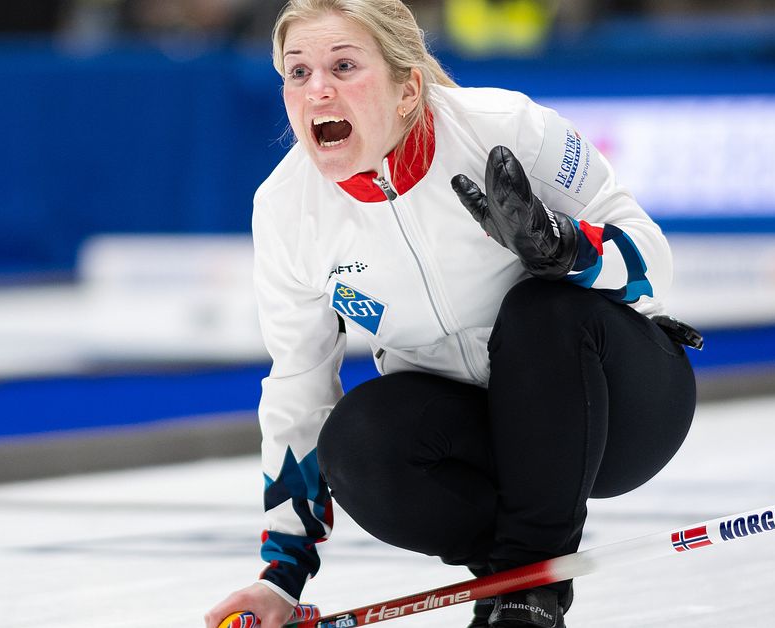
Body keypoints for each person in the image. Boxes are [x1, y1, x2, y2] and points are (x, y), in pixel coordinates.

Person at [205, 1, 699, 626]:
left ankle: (527, 585)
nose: (317, 89)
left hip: (621, 409)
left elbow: (654, 263)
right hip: (486, 441)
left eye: (343, 65)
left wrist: (565, 247)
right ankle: (518, 587)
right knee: (357, 440)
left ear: (407, 87)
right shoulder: (285, 209)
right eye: (297, 72)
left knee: (541, 307)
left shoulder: (505, 125)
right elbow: (298, 388)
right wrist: (282, 576)